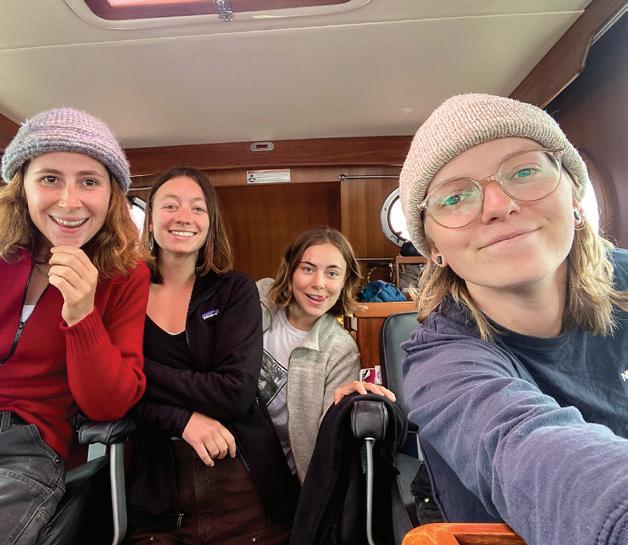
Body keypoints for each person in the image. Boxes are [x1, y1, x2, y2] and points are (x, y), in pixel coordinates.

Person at [398, 93, 628, 545]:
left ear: (574, 193)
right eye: (455, 197)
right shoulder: (441, 365)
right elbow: (526, 450)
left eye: (524, 172)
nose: (498, 205)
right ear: (434, 247)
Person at [0, 108, 149, 544]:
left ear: (112, 194)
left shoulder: (125, 274)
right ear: (22, 187)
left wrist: (82, 314)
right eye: (50, 178)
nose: (69, 202)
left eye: (89, 181)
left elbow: (109, 404)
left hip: (30, 443)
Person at [125, 167, 296, 545]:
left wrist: (136, 372)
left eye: (197, 208)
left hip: (243, 481)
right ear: (150, 219)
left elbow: (234, 392)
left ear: (210, 222)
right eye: (170, 205)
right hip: (158, 492)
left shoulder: (234, 290)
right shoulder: (125, 292)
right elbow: (115, 397)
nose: (184, 216)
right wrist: (181, 419)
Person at [257, 226, 395, 483]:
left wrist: (344, 409)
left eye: (332, 273)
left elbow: (328, 441)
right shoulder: (259, 301)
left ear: (344, 282)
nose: (319, 283)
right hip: (227, 454)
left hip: (285, 481)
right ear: (290, 270)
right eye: (308, 269)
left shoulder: (341, 350)